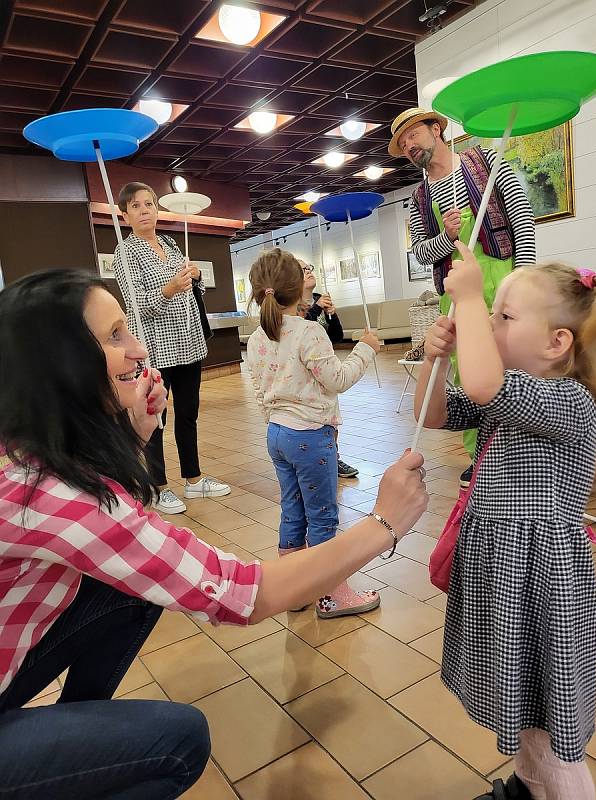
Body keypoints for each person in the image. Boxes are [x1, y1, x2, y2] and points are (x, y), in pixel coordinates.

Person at [0, 268, 428, 798]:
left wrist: (135, 434)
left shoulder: (28, 453)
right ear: (59, 365)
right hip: (312, 438)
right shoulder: (46, 495)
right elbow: (240, 593)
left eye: (128, 329)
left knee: (133, 591)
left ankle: (77, 737)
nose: (138, 348)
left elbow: (117, 538)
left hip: (279, 435)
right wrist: (383, 525)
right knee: (179, 740)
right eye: (115, 336)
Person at [414, 242, 596, 800]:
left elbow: (484, 385)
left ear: (556, 343)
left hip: (543, 582)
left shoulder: (570, 402)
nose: (489, 323)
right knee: (519, 705)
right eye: (490, 313)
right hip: (502, 576)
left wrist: (469, 297)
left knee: (549, 725)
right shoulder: (509, 396)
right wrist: (435, 359)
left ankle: (552, 785)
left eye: (503, 316)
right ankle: (526, 785)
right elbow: (437, 412)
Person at [389, 107, 536, 483]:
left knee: (515, 366)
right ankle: (481, 456)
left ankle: (520, 451)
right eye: (403, 144)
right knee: (466, 374)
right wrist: (447, 238)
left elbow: (522, 217)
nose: (409, 146)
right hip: (454, 294)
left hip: (502, 279)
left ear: (436, 129)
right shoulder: (419, 198)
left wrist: (524, 281)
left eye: (413, 135)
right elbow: (422, 253)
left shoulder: (485, 161)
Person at [246, 248, 384, 619]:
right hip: (309, 435)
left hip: (277, 435)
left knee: (292, 511)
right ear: (298, 290)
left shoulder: (257, 338)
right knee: (323, 517)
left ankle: (294, 590)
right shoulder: (310, 331)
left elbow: (260, 390)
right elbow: (337, 380)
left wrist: (276, 421)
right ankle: (332, 593)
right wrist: (365, 350)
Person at [114, 181, 230, 515]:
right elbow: (137, 306)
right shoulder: (126, 252)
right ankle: (158, 487)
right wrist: (169, 288)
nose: (144, 210)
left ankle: (193, 480)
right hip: (156, 350)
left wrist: (194, 278)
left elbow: (194, 291)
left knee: (189, 415)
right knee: (155, 419)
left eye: (148, 203)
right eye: (135, 206)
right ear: (125, 215)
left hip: (188, 343)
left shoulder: (169, 242)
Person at [297, 258, 359, 479]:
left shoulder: (318, 298)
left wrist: (332, 314)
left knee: (331, 415)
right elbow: (303, 327)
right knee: (313, 419)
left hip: (325, 365)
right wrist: (315, 309)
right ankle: (317, 460)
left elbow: (336, 336)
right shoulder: (294, 305)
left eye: (309, 268)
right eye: (303, 270)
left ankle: (333, 457)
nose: (309, 272)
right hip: (304, 372)